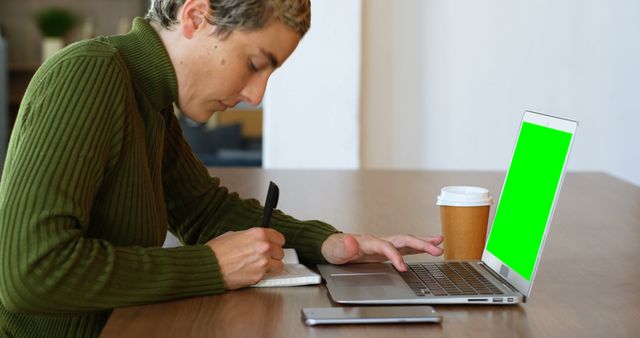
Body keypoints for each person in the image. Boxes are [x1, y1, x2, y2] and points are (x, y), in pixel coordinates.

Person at [0, 0, 444, 336]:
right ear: (196, 17)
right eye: (254, 64)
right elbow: (29, 272)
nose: (256, 95)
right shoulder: (89, 76)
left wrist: (328, 242)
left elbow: (204, 211)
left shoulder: (147, 95)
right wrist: (210, 266)